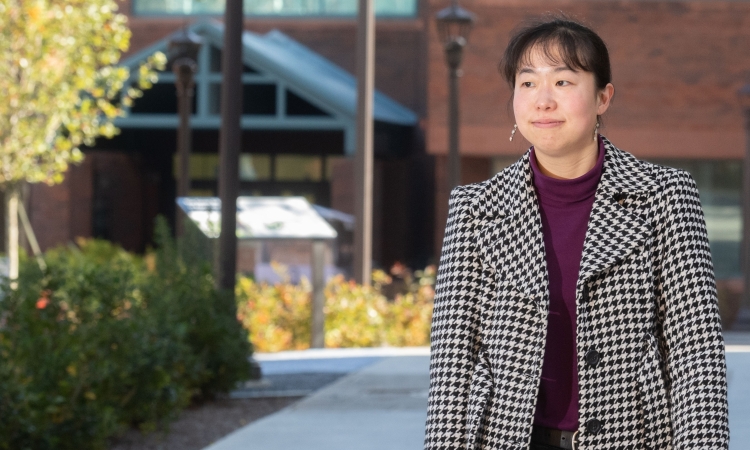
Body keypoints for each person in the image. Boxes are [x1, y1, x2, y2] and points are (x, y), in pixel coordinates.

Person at [423, 16, 729, 450]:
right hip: (505, 439)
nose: (543, 100)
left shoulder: (665, 197)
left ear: (604, 97)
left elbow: (695, 353)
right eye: (527, 84)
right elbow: (452, 363)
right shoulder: (475, 209)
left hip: (634, 437)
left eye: (564, 82)